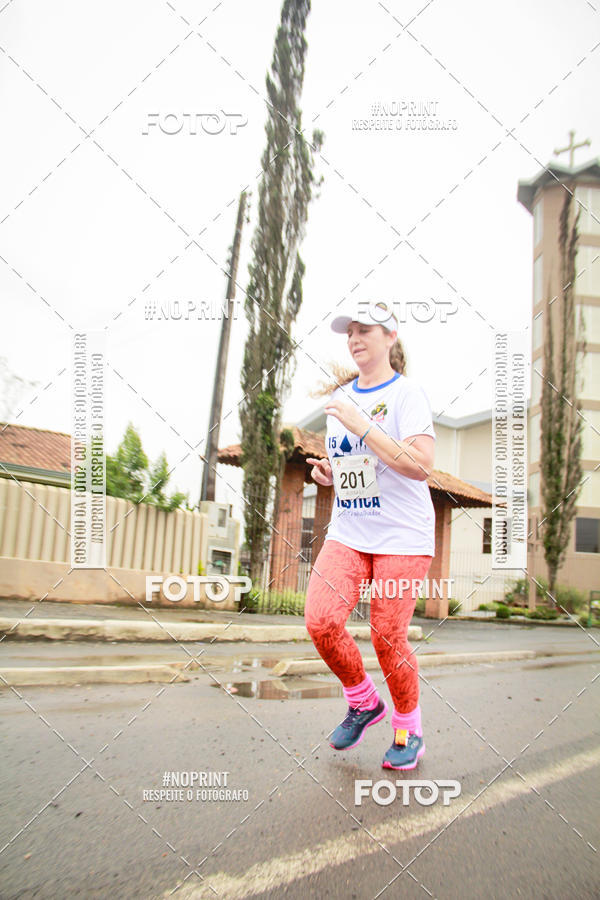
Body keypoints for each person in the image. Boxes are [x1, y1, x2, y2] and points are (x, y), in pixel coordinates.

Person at [305, 299, 435, 770]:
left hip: (402, 535)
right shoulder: (340, 399)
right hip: (350, 530)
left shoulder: (407, 394)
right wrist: (330, 475)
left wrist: (364, 425)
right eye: (350, 332)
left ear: (390, 337)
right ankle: (363, 701)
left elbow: (420, 464)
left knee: (387, 636)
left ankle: (408, 730)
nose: (355, 339)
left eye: (366, 330)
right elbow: (357, 468)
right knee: (321, 620)